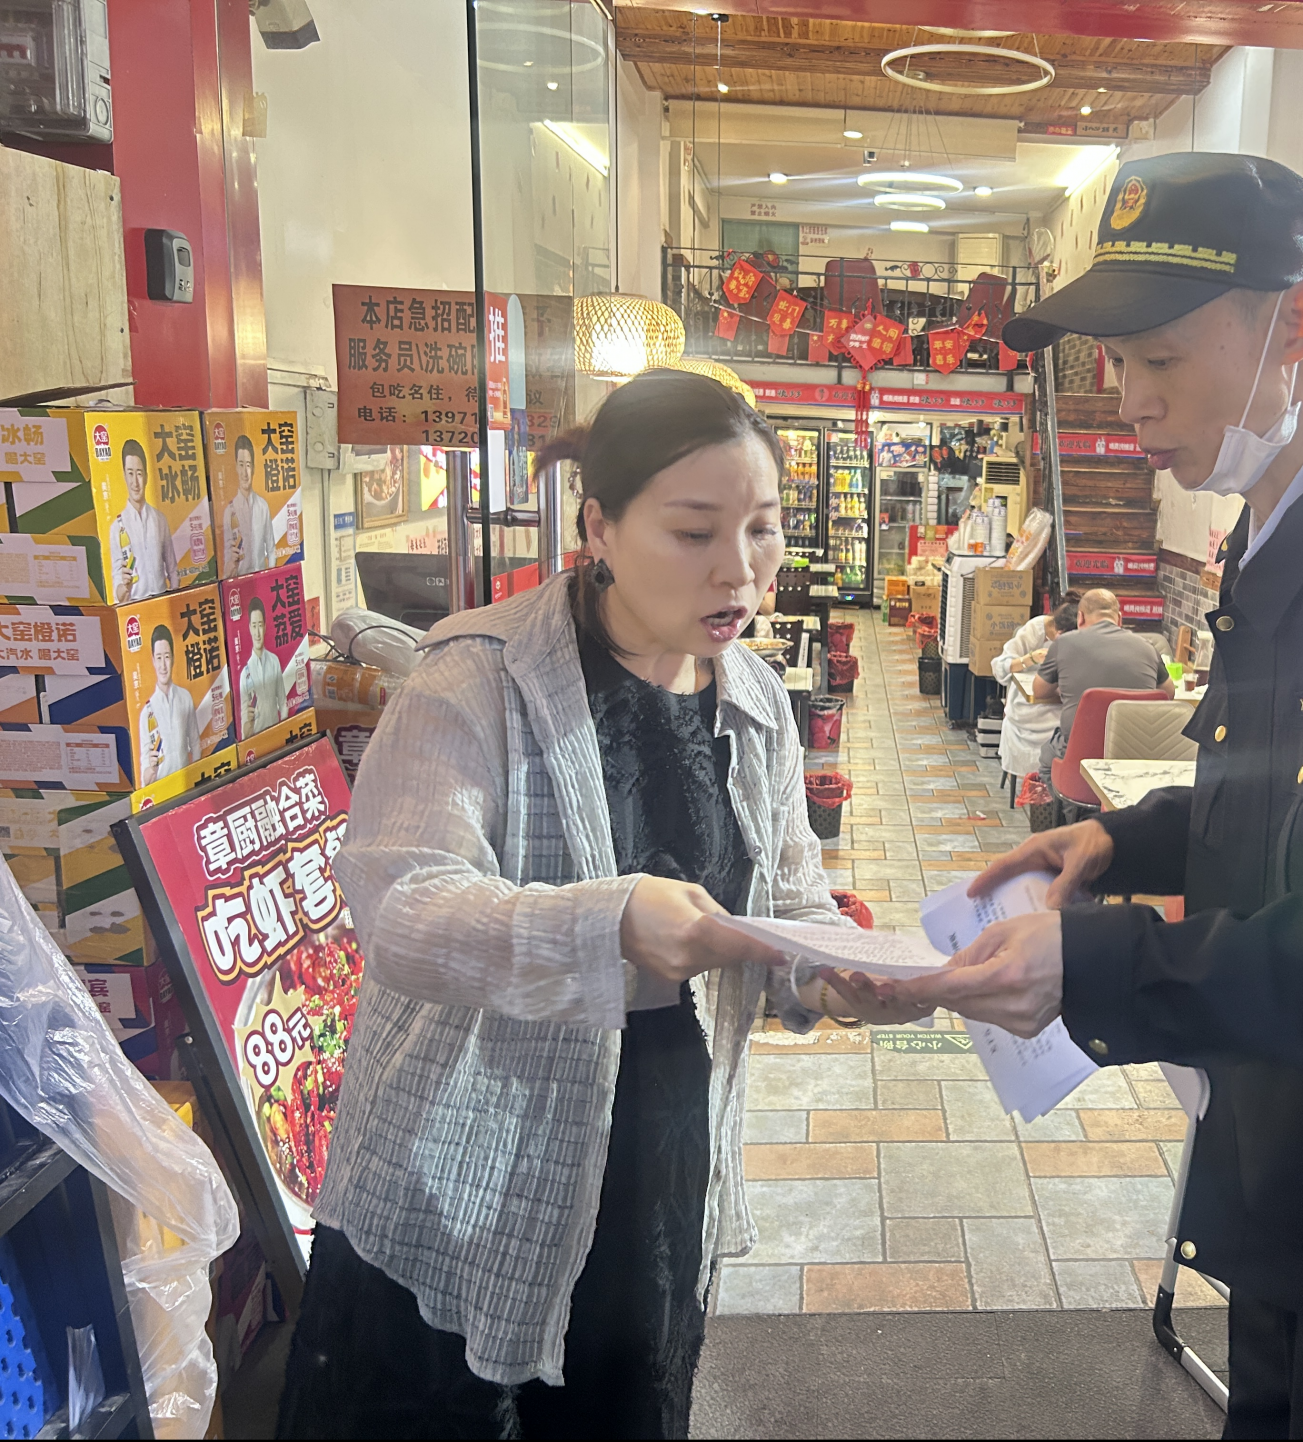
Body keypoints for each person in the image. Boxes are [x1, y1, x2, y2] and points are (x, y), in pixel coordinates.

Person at [875, 152, 1303, 1439]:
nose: (1132, 402)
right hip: (1297, 1189)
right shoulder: (1274, 526)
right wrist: (1126, 837)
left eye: (1161, 357)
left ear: (1294, 322)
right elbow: (1290, 801)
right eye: (1116, 363)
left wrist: (1104, 964)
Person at [279, 371, 923, 1441]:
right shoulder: (475, 679)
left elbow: (790, 907)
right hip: (466, 1157)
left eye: (762, 528)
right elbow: (403, 908)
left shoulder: (756, 700)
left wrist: (836, 976)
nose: (739, 568)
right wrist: (610, 921)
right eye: (693, 531)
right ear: (599, 528)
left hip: (656, 1155)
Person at [1033, 587, 1173, 784]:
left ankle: (1066, 803)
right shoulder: (1147, 647)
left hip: (1078, 756)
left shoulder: (1063, 643)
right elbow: (1168, 694)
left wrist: (1066, 686)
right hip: (1137, 757)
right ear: (1119, 618)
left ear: (1080, 617)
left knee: (1047, 757)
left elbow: (1039, 690)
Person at [990, 591, 1080, 789]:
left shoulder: (1080, 638)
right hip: (1027, 707)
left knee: (1071, 725)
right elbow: (1000, 666)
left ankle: (1055, 785)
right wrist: (1030, 659)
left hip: (1060, 705)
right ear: (1055, 627)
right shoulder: (1035, 629)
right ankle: (1041, 782)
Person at [108, 438, 177, 603]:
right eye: (130, 473)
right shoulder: (117, 528)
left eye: (139, 473)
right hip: (136, 605)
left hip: (162, 600)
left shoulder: (160, 520)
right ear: (124, 475)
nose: (135, 482)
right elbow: (118, 590)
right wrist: (124, 587)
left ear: (146, 476)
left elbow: (173, 570)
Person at [136, 624, 197, 787]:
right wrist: (152, 769)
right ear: (153, 660)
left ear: (173, 658)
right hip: (163, 789)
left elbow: (195, 744)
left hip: (187, 784)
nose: (163, 665)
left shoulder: (185, 697)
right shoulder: (147, 713)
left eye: (167, 657)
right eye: (159, 658)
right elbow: (144, 779)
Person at [223, 433, 276, 576]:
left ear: (253, 468)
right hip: (240, 581)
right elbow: (226, 562)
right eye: (241, 465)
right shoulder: (229, 512)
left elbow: (271, 549)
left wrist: (270, 576)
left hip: (262, 577)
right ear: (236, 467)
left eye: (248, 465)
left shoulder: (263, 506)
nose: (245, 472)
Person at [236, 596, 287, 738]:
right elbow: (244, 730)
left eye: (260, 625)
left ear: (265, 626)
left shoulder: (274, 661)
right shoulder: (245, 674)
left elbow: (283, 702)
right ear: (249, 628)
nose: (257, 633)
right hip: (258, 741)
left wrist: (283, 730)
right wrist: (249, 724)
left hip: (277, 735)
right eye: (254, 626)